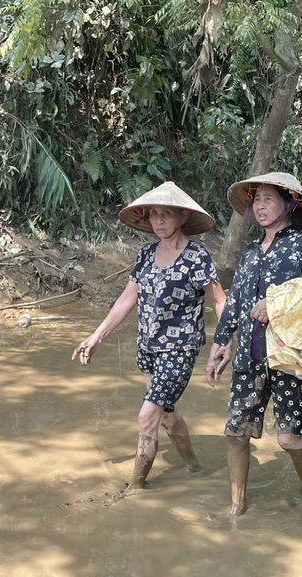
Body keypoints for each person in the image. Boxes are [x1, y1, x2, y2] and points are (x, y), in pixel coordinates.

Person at [73, 182, 227, 493]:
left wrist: (223, 342)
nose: (158, 221)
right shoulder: (146, 254)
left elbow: (219, 301)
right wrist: (97, 336)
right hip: (148, 347)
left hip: (179, 349)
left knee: (147, 417)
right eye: (154, 214)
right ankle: (194, 467)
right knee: (167, 415)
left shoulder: (196, 256)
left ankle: (135, 489)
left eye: (166, 215)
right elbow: (127, 299)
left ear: (181, 218)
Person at [205, 172, 302, 516]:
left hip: (291, 356)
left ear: (290, 203)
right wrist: (221, 342)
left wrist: (275, 305)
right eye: (255, 199)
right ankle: (236, 508)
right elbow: (235, 303)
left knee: (288, 439)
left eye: (268, 199)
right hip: (249, 355)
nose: (259, 206)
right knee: (235, 433)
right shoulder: (249, 252)